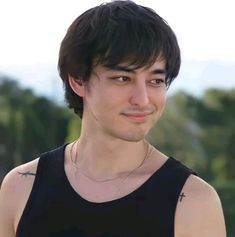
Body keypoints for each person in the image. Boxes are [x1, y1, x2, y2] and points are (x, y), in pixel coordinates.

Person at [0, 0, 226, 236]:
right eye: (123, 78)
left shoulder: (193, 202)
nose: (143, 99)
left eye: (155, 81)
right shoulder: (21, 186)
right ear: (78, 80)